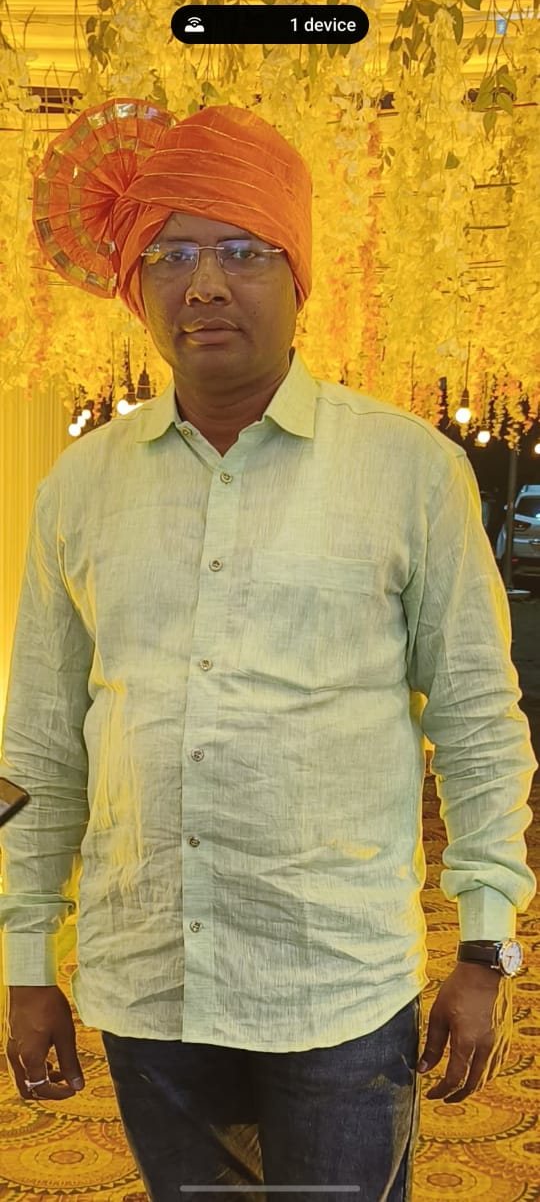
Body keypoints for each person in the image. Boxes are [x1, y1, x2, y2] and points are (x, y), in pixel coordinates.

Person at [0, 97, 537, 1202]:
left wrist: (486, 948)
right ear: (136, 284)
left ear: (301, 277)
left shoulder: (407, 472)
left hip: (335, 986)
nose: (204, 283)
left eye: (242, 250)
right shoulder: (81, 488)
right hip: (149, 982)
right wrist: (23, 962)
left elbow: (481, 724)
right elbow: (38, 747)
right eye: (171, 254)